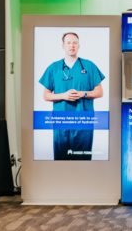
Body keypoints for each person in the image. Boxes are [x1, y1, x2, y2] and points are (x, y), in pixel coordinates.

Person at [39, 32, 105, 160]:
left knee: (82, 159)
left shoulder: (89, 66)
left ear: (79, 45)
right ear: (63, 46)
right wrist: (63, 95)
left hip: (83, 120)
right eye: (68, 43)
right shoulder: (54, 68)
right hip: (61, 120)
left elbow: (99, 92)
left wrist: (83, 93)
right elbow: (46, 95)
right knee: (61, 159)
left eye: (75, 42)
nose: (72, 45)